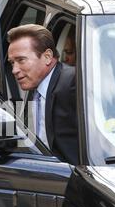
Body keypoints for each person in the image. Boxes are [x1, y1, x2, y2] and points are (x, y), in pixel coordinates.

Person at [7, 24, 78, 165]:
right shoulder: (35, 86)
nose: (14, 70)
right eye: (12, 63)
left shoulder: (73, 83)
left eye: (21, 60)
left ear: (47, 56)